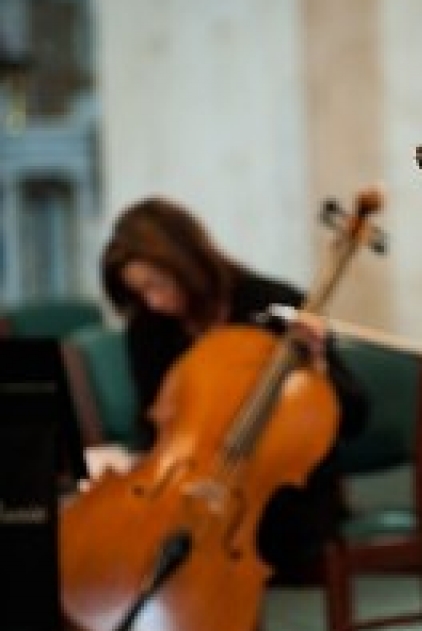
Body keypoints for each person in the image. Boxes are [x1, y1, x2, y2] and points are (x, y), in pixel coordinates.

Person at [97, 195, 369, 579]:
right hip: (191, 489)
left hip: (278, 498)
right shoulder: (149, 327)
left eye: (156, 285)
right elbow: (151, 424)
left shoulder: (273, 305)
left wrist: (318, 365)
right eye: (140, 294)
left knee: (194, 552)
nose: (153, 302)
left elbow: (356, 417)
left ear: (186, 262)